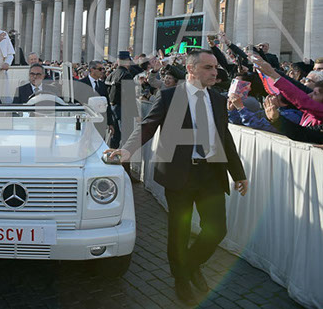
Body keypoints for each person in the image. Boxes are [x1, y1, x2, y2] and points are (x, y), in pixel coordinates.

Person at [105, 50, 248, 304]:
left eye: (215, 67)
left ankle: (190, 265)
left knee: (216, 229)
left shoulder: (217, 99)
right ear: (191, 69)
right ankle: (181, 279)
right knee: (179, 231)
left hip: (211, 173)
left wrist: (238, 174)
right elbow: (148, 126)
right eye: (208, 67)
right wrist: (127, 150)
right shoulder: (170, 96)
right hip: (180, 174)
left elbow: (225, 138)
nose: (215, 72)